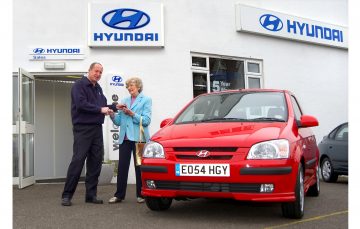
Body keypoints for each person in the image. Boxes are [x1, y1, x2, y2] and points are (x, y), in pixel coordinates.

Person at [61, 62, 112, 206]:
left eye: (100, 72)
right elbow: (81, 104)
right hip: (82, 129)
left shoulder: (98, 89)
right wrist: (101, 110)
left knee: (95, 162)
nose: (98, 74)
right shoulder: (79, 85)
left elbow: (102, 105)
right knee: (78, 161)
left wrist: (114, 107)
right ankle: (67, 195)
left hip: (96, 129)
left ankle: (91, 195)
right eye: (96, 71)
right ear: (89, 70)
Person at [108, 77, 152, 204]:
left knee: (139, 167)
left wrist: (132, 114)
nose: (129, 88)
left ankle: (141, 194)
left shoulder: (146, 100)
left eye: (131, 85)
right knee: (122, 167)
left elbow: (147, 121)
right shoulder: (124, 100)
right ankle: (119, 195)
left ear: (138, 86)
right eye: (127, 86)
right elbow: (118, 121)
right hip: (125, 139)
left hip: (139, 139)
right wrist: (112, 115)